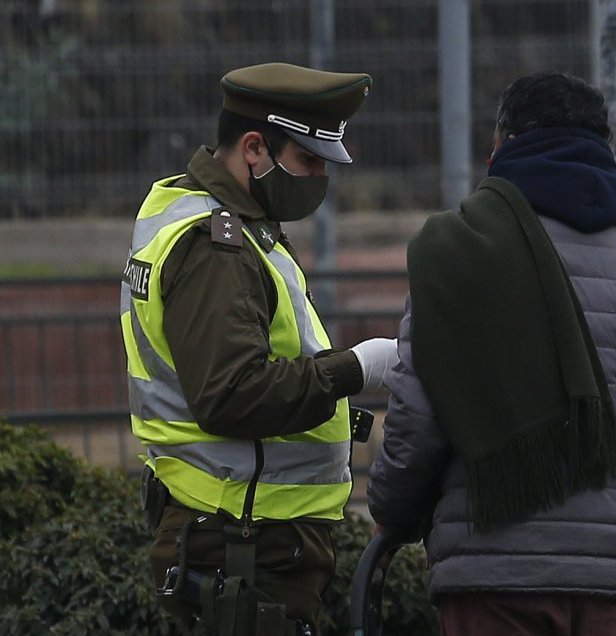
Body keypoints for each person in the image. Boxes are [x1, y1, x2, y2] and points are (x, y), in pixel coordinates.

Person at [366, 71, 616, 636]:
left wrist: (394, 512)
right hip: (615, 590)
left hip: (491, 582)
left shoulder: (455, 261)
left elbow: (415, 425)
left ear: (503, 146)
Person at [121, 62, 397, 635]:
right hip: (240, 543)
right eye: (308, 161)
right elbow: (232, 392)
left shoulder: (221, 221)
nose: (319, 178)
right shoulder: (215, 247)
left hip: (245, 540)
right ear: (254, 148)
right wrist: (356, 369)